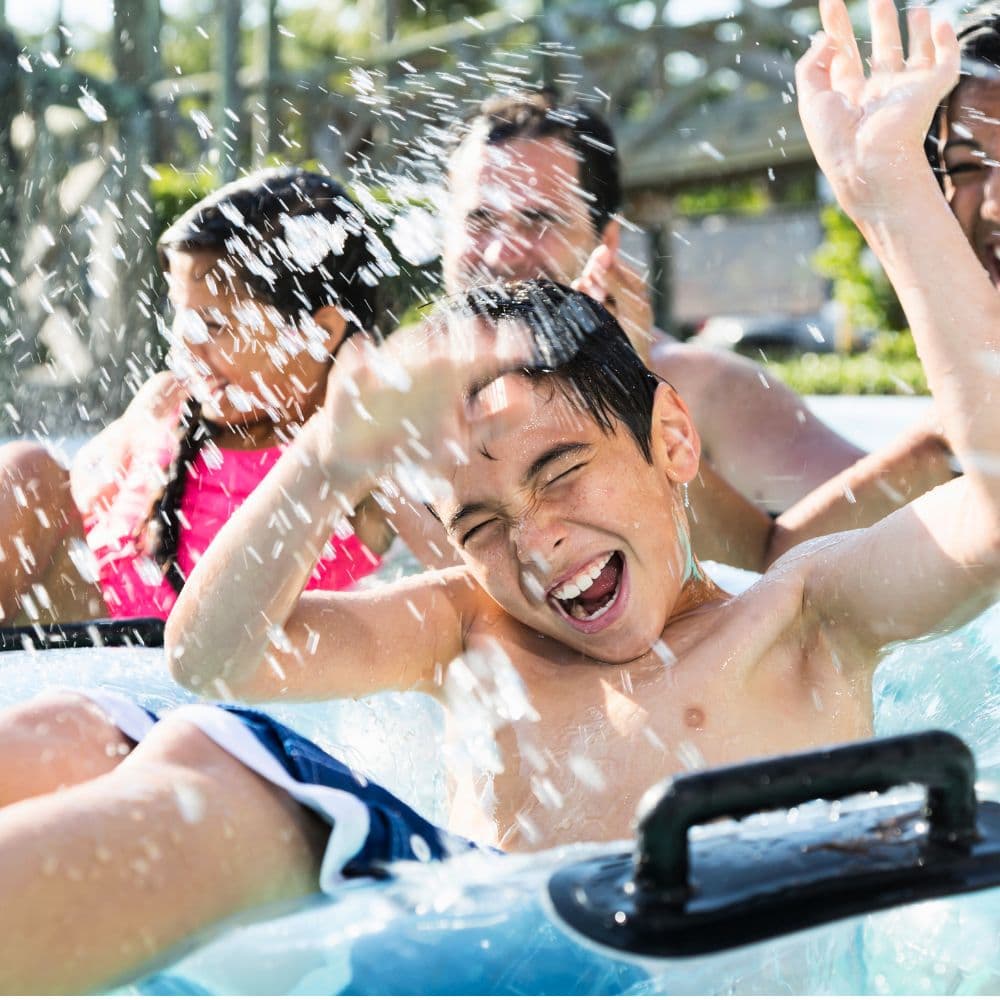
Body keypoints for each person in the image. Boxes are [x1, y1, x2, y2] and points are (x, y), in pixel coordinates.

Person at [1, 1, 997, 991]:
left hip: (595, 959)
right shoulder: (472, 626)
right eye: (478, 523)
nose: (537, 540)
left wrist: (893, 195)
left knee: (238, 799)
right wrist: (327, 458)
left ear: (674, 438)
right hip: (467, 937)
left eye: (560, 473)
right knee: (157, 752)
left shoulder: (802, 616)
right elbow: (213, 657)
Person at [426, 86, 958, 570]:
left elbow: (928, 520)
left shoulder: (706, 389)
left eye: (539, 220)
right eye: (479, 220)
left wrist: (630, 392)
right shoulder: (390, 416)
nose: (500, 254)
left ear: (604, 243)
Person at [0, 168, 392, 626]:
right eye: (181, 319)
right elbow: (64, 514)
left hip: (234, 682)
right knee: (24, 474)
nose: (184, 347)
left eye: (213, 325)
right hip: (94, 658)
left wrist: (360, 363)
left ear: (319, 331)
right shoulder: (168, 405)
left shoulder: (359, 462)